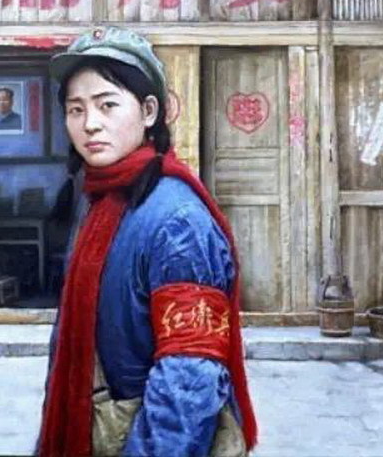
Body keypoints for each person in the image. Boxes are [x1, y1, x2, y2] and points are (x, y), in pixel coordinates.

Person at [38, 27, 258, 457]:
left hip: (140, 437)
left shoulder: (178, 223)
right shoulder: (102, 199)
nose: (90, 124)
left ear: (149, 111)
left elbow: (187, 382)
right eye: (75, 109)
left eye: (107, 104)